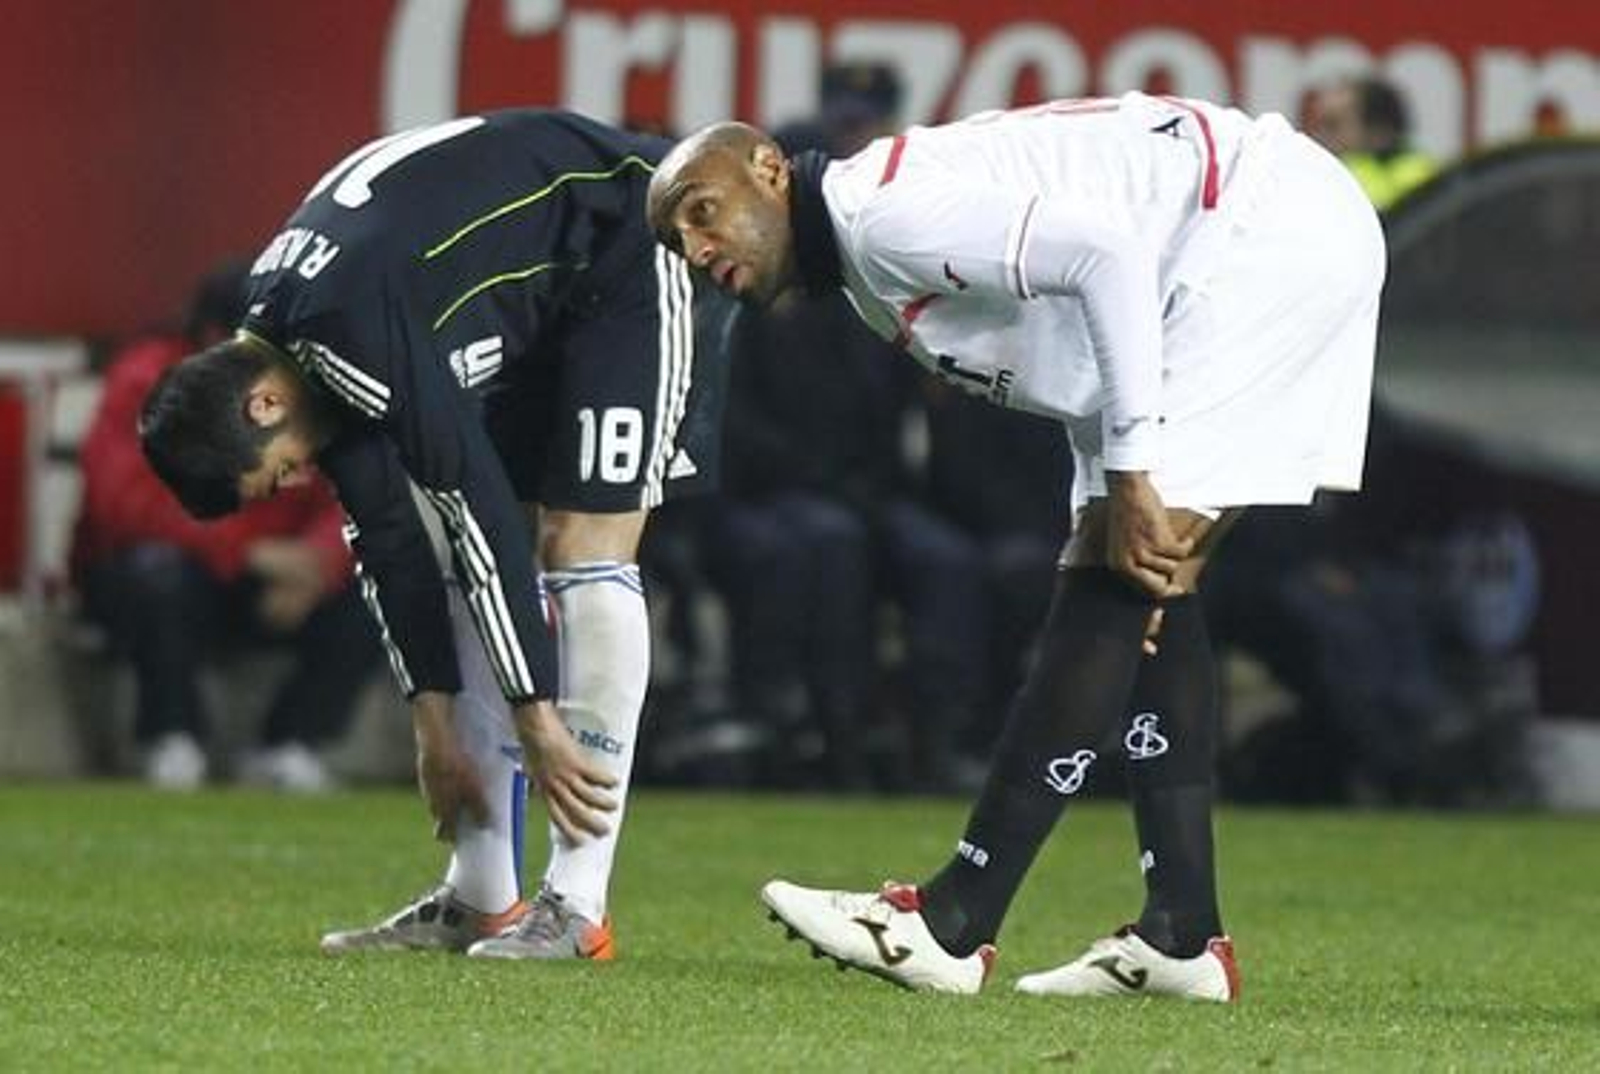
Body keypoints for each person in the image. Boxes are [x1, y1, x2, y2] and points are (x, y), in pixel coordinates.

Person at [648, 93, 1385, 998]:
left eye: (701, 211)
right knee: (1145, 574)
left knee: (1118, 566)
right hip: (1239, 239)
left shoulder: (882, 215)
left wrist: (1131, 472)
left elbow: (1106, 257)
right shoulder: (865, 255)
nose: (696, 249)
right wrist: (1114, 481)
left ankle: (954, 921)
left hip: (1258, 232)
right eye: (677, 241)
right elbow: (1077, 331)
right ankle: (1182, 935)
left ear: (767, 169)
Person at [139, 110, 733, 960]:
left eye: (275, 472)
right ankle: (481, 898)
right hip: (540, 292)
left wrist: (538, 716)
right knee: (476, 556)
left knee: (580, 544)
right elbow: (387, 540)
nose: (295, 482)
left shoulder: (347, 329)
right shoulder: (295, 339)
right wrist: (432, 719)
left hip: (631, 243)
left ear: (259, 405)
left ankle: (575, 907)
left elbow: (473, 503)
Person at [73, 259, 381, 792]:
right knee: (158, 574)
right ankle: (172, 738)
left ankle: (290, 743)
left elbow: (357, 490)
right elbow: (124, 507)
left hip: (280, 583)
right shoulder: (154, 381)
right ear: (218, 337)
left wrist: (316, 564)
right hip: (166, 577)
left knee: (386, 585)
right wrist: (248, 553)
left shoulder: (319, 384)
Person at [1309, 76, 1437, 211]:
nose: (1317, 136)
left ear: (1378, 130)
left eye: (1332, 125)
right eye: (1317, 125)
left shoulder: (1427, 180)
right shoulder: (1312, 178)